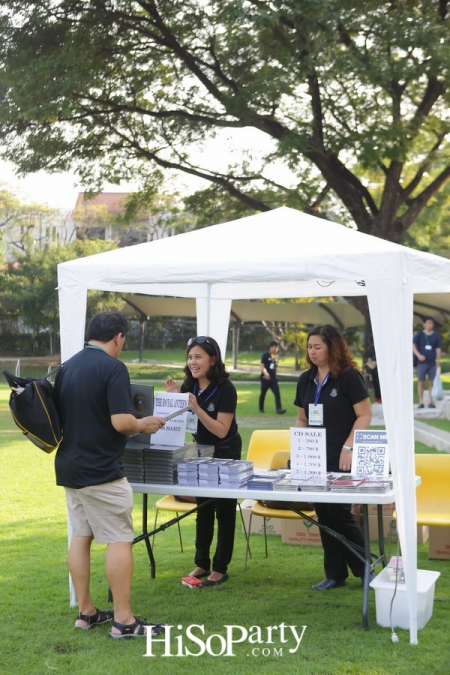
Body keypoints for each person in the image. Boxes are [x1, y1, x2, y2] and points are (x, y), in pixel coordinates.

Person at [54, 312, 166, 638]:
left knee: (81, 536)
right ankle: (124, 620)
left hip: (70, 467)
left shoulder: (68, 366)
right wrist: (144, 423)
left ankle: (86, 612)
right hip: (102, 470)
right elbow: (121, 421)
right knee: (119, 539)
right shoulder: (113, 367)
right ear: (118, 337)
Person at [294, 325, 372, 590]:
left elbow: (364, 415)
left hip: (343, 458)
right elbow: (302, 417)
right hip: (315, 459)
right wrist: (300, 447)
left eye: (317, 347)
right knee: (323, 515)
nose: (312, 352)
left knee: (340, 513)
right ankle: (335, 574)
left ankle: (365, 569)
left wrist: (348, 448)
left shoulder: (348, 377)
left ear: (332, 347)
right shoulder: (306, 379)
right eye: (309, 347)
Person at [164, 336, 241, 586]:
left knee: (225, 509)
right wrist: (176, 398)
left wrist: (196, 409)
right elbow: (180, 424)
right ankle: (201, 563)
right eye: (190, 357)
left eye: (198, 357)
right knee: (203, 508)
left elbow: (220, 430)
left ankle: (220, 567)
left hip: (226, 451)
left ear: (212, 359)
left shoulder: (226, 389)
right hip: (201, 452)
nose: (193, 362)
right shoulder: (190, 386)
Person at [413, 317, 442, 409]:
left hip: (432, 362)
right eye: (428, 323)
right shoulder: (420, 334)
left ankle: (430, 401)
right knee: (421, 381)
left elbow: (438, 348)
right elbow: (413, 345)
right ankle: (421, 401)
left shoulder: (435, 335)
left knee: (431, 382)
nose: (430, 325)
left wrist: (438, 360)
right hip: (422, 362)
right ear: (424, 324)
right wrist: (418, 355)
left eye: (432, 323)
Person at [259, 340, 286, 414]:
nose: (276, 349)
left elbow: (274, 367)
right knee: (263, 394)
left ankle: (279, 409)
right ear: (271, 347)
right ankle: (261, 409)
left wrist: (276, 360)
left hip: (273, 379)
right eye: (275, 347)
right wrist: (265, 373)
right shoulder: (265, 356)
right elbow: (262, 366)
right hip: (265, 379)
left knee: (277, 393)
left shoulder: (275, 356)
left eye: (277, 348)